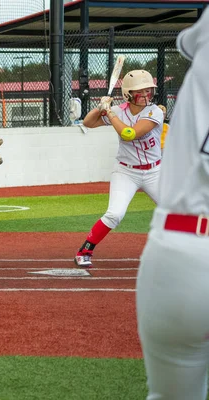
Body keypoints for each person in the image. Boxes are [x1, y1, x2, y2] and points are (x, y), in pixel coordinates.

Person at [137, 12, 209, 400]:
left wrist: (115, 112)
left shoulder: (155, 111)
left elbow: (191, 44)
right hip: (133, 175)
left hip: (182, 247)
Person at [74, 69, 164, 268]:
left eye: (148, 90)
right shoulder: (120, 110)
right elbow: (88, 122)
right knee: (115, 214)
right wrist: (101, 108)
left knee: (175, 211)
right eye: (139, 91)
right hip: (126, 172)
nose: (145, 95)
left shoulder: (154, 111)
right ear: (128, 94)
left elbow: (129, 133)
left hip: (155, 172)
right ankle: (84, 251)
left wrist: (111, 113)